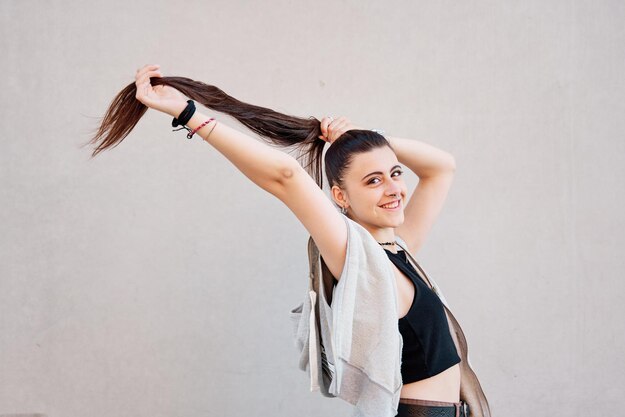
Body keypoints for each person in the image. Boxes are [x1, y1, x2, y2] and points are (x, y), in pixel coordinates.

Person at [87, 64, 491, 417]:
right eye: (373, 180)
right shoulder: (358, 258)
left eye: (395, 173)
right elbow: (286, 177)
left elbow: (442, 167)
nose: (394, 188)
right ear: (340, 197)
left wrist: (361, 138)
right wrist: (187, 113)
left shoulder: (401, 249)